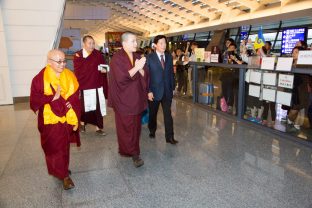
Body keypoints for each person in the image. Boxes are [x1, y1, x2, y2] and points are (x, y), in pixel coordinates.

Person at [30, 49, 80, 190]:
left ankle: (62, 169)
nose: (63, 64)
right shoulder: (39, 79)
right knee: (54, 147)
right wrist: (51, 97)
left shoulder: (69, 75)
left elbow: (76, 94)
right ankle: (64, 175)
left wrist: (69, 102)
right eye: (59, 61)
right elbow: (34, 100)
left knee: (64, 145)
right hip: (50, 120)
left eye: (64, 61)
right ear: (49, 62)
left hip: (67, 117)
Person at [108, 32, 148, 167]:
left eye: (136, 41)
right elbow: (121, 78)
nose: (136, 44)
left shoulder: (137, 56)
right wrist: (137, 67)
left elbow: (145, 75)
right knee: (126, 127)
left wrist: (141, 69)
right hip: (123, 99)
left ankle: (135, 152)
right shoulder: (117, 59)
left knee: (136, 127)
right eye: (133, 41)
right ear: (124, 44)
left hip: (136, 97)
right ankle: (128, 150)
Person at [73, 35, 108, 135]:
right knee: (84, 108)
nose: (92, 45)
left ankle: (98, 128)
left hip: (96, 85)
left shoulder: (98, 54)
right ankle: (82, 124)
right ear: (84, 44)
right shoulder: (78, 55)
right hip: (84, 86)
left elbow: (105, 68)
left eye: (93, 43)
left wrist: (103, 70)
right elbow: (78, 71)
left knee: (98, 108)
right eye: (89, 43)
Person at [147, 35, 178, 145]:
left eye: (165, 43)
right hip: (154, 92)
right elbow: (147, 76)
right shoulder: (149, 58)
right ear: (155, 45)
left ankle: (170, 137)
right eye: (161, 43)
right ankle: (152, 129)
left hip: (167, 91)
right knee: (153, 114)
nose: (164, 45)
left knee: (168, 115)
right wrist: (148, 91)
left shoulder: (169, 57)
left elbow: (171, 74)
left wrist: (173, 87)